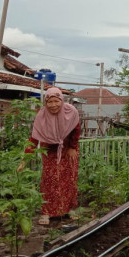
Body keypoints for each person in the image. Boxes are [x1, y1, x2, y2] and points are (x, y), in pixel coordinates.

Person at [17, 87, 81, 225]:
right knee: (49, 180)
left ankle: (69, 209)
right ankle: (46, 212)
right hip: (49, 150)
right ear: (45, 103)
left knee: (70, 179)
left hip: (68, 149)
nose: (53, 105)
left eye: (56, 101)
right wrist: (25, 159)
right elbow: (34, 138)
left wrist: (72, 147)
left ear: (61, 100)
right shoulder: (41, 116)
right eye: (49, 102)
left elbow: (76, 130)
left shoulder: (71, 112)